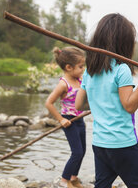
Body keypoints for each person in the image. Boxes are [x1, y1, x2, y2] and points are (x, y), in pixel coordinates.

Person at [75, 13, 138, 188]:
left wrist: (101, 100)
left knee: (102, 185)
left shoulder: (90, 71)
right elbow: (129, 105)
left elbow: (79, 105)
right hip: (122, 143)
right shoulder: (122, 70)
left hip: (100, 144)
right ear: (125, 43)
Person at [45, 46, 86, 188]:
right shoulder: (64, 84)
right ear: (69, 67)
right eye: (81, 66)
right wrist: (61, 119)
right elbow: (49, 103)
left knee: (83, 151)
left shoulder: (80, 80)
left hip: (79, 119)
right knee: (77, 152)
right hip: (69, 120)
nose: (83, 69)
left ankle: (74, 178)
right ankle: (64, 181)